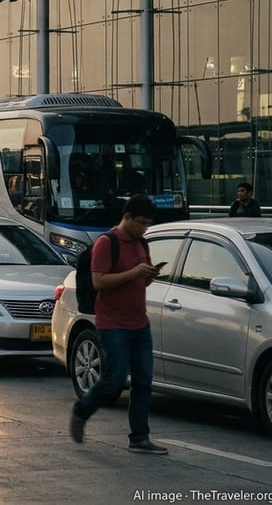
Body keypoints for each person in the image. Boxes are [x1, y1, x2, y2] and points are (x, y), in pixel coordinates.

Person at [68, 194, 167, 455]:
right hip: (112, 323)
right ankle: (81, 411)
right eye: (141, 223)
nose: (144, 228)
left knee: (144, 381)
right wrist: (135, 273)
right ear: (127, 217)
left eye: (147, 224)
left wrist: (148, 276)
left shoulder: (141, 243)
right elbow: (99, 281)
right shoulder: (106, 242)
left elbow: (138, 283)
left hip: (139, 323)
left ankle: (139, 438)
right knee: (114, 379)